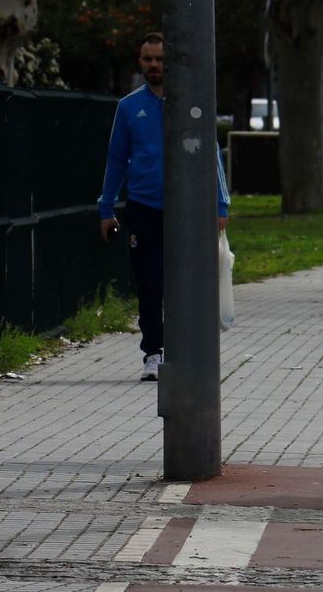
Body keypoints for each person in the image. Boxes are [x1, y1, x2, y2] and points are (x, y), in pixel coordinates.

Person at [98, 32, 231, 381]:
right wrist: (106, 208)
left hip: (186, 208)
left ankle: (186, 350)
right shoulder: (129, 107)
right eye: (148, 59)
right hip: (143, 206)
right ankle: (153, 353)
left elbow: (212, 154)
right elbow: (116, 159)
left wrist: (220, 204)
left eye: (160, 59)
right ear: (140, 62)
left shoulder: (191, 103)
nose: (155, 65)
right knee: (149, 282)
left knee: (186, 282)